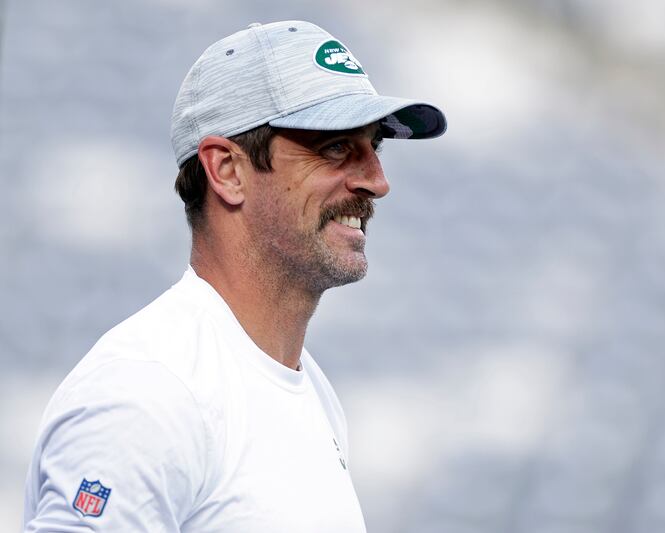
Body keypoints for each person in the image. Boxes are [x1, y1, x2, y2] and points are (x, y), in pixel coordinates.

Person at [22, 20, 446, 532]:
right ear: (226, 170)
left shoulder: (307, 386)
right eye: (336, 147)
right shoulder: (147, 393)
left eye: (374, 147)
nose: (377, 181)